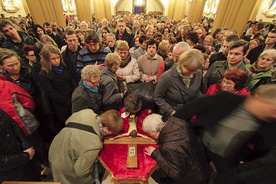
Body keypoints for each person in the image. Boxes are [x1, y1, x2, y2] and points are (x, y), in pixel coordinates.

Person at [173, 84, 276, 184]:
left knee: (225, 179)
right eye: (273, 110)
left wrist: (247, 162)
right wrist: (172, 123)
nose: (274, 115)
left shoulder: (269, 124)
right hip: (202, 140)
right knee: (186, 169)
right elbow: (195, 106)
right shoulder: (228, 99)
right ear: (261, 101)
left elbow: (263, 149)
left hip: (226, 156)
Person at [49, 109, 123, 184]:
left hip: (56, 145)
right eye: (112, 132)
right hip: (64, 163)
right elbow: (81, 172)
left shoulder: (87, 112)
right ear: (106, 129)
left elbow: (68, 121)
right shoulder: (93, 145)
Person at [143, 113, 210, 184]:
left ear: (154, 132)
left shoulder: (168, 146)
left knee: (156, 174)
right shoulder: (178, 122)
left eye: (149, 133)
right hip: (201, 167)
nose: (149, 135)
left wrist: (155, 153)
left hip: (193, 179)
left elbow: (175, 174)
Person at [154, 49, 204, 118]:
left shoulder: (198, 73)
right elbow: (157, 97)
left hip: (188, 113)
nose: (192, 74)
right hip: (171, 116)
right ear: (181, 63)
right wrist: (171, 111)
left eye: (194, 70)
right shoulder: (167, 76)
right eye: (189, 70)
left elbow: (196, 92)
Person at [39, 44, 76, 125]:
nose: (56, 61)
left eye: (58, 57)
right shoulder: (44, 74)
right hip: (62, 106)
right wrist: (68, 101)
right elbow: (51, 94)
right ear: (46, 60)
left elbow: (73, 80)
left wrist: (74, 96)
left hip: (73, 98)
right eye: (53, 59)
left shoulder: (65, 66)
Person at [0, 108, 41, 183]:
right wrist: (25, 156)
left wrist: (26, 145)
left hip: (25, 161)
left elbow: (12, 124)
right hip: (10, 175)